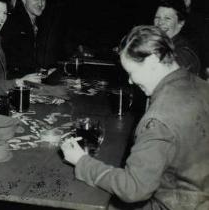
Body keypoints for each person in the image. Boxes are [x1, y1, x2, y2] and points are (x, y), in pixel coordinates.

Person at [61, 25, 209, 210]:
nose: (130, 81)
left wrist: (82, 162)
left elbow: (134, 189)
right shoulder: (202, 85)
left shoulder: (157, 119)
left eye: (131, 72)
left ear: (153, 61)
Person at [0, 0, 48, 77]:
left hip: (33, 76)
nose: (40, 4)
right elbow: (11, 63)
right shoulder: (13, 22)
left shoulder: (42, 21)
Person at [153, 0, 201, 75]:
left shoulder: (184, 52)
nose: (160, 22)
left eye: (167, 18)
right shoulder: (161, 44)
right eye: (157, 17)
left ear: (180, 23)